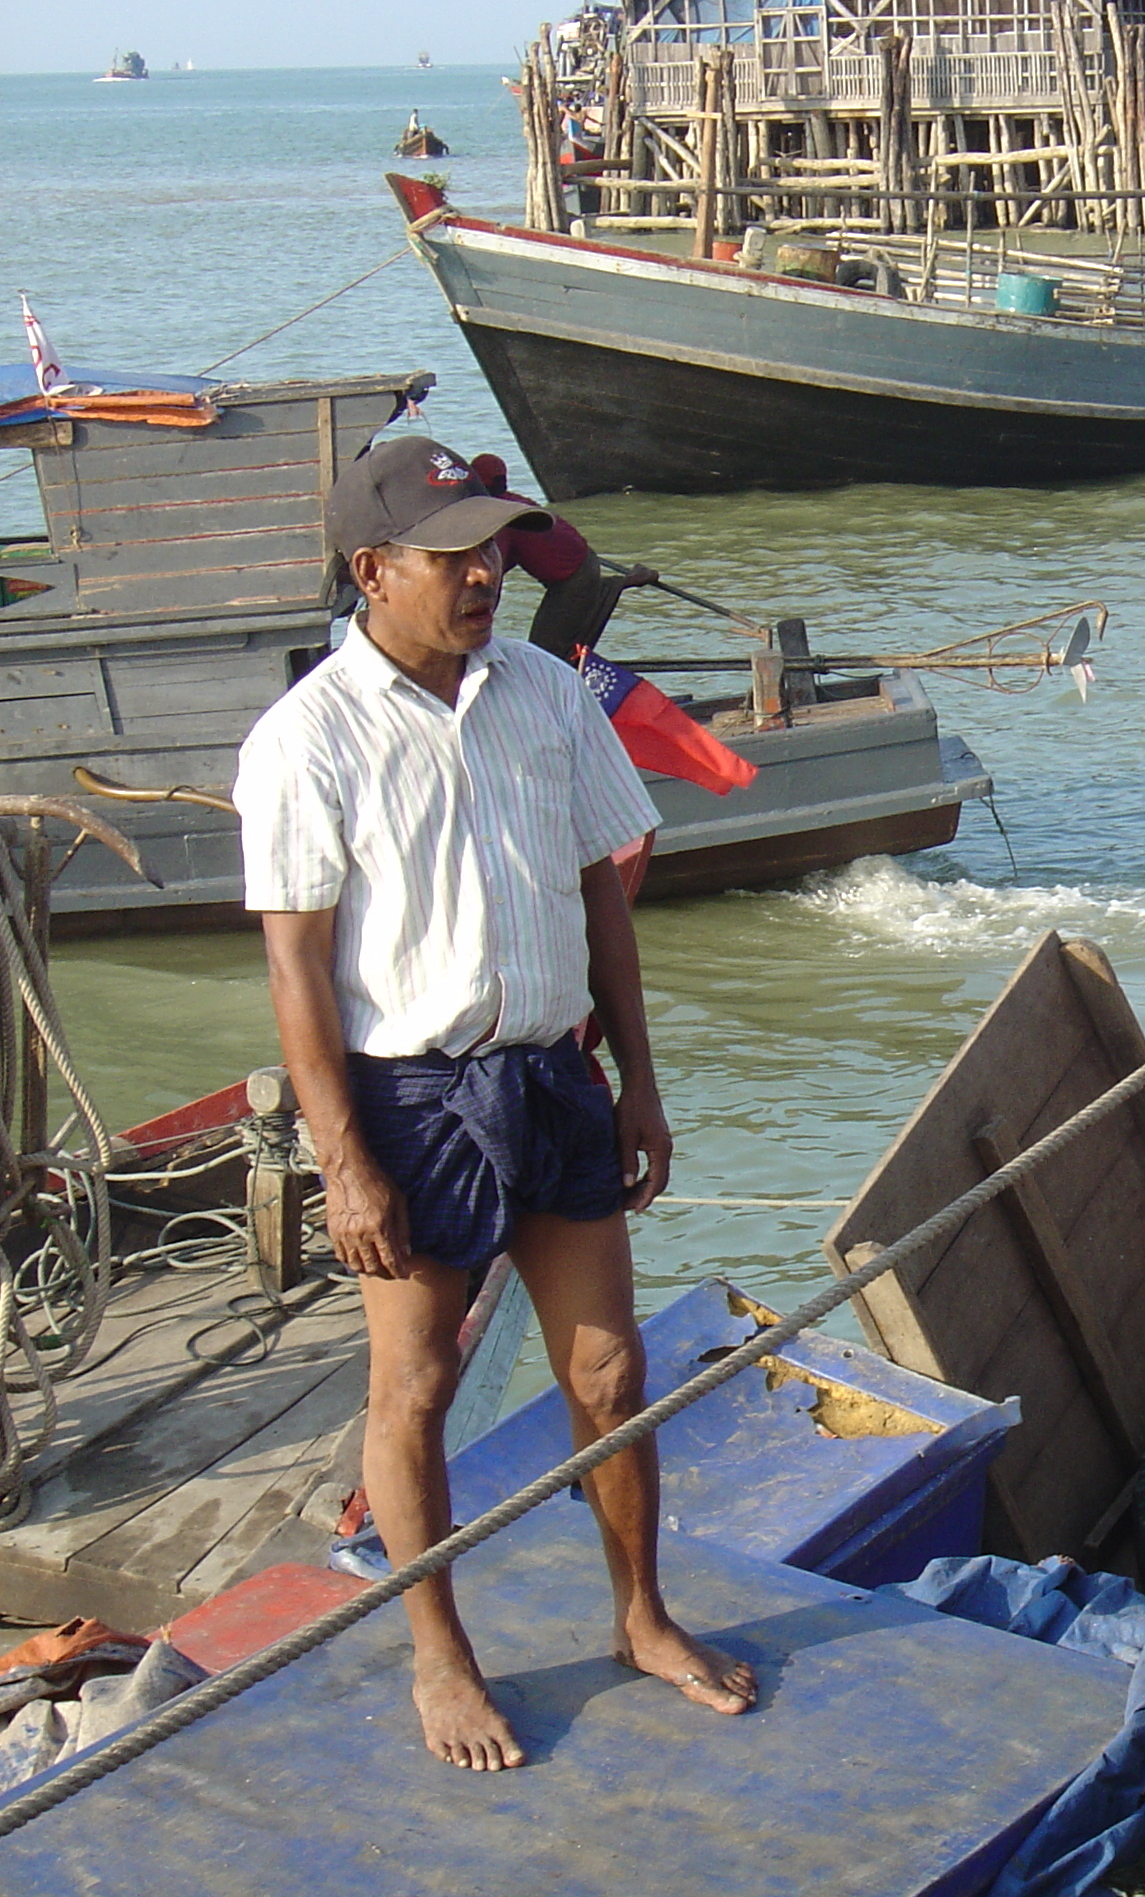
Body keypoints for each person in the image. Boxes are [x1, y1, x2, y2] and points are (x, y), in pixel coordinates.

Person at [233, 436, 756, 1772]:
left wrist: (637, 1080)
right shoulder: (308, 738)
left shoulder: (544, 693)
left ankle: (640, 1614)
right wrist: (342, 1158)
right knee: (415, 1382)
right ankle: (439, 1655)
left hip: (552, 1070)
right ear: (373, 571)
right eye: (454, 555)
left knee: (611, 1367)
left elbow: (603, 897)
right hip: (411, 1092)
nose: (487, 573)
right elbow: (297, 963)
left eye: (496, 550)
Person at [468, 454, 658, 662]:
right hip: (583, 559)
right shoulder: (514, 502)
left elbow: (493, 575)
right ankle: (616, 584)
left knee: (544, 653)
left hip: (574, 579)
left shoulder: (500, 518)